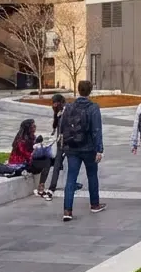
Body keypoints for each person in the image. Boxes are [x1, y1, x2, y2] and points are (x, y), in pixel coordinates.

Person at [61, 80, 106, 222]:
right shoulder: (93, 108)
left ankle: (67, 210)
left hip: (71, 147)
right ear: (90, 91)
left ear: (78, 90)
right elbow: (96, 130)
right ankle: (94, 204)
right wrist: (99, 149)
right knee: (92, 175)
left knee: (71, 177)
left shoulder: (68, 107)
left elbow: (62, 127)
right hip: (88, 148)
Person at [37, 94, 68, 200]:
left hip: (68, 143)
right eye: (53, 103)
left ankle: (70, 184)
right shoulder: (58, 113)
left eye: (55, 103)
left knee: (69, 166)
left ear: (61, 102)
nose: (54, 105)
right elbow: (56, 128)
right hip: (61, 143)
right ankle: (51, 189)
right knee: (57, 165)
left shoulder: (67, 111)